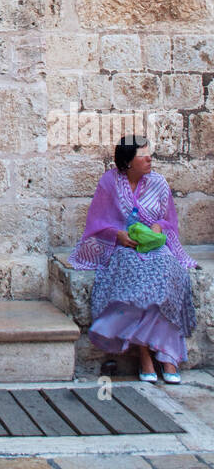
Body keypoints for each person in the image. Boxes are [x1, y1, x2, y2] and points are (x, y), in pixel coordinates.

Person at [69, 135, 198, 383]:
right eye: (142, 156)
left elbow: (168, 220)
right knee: (136, 285)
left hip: (155, 247)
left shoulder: (158, 183)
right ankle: (145, 355)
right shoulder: (109, 183)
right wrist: (118, 234)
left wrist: (158, 228)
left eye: (150, 154)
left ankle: (167, 354)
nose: (149, 159)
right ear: (128, 162)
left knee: (167, 278)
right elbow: (97, 223)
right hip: (123, 247)